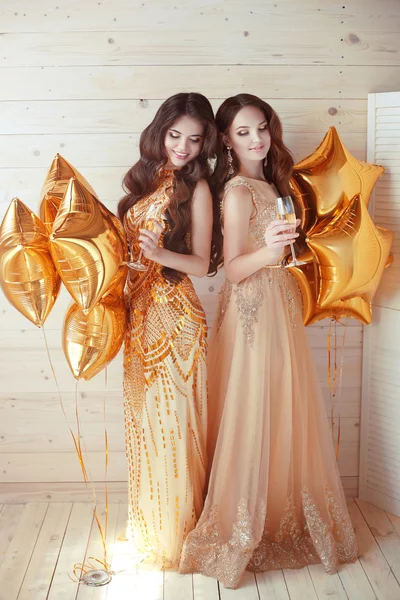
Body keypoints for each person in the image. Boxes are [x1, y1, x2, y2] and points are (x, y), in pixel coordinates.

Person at [179, 94, 358, 588]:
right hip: (252, 309)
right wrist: (272, 249)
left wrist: (284, 250)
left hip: (278, 304)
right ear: (227, 142)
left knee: (284, 407)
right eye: (243, 132)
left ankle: (283, 507)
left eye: (262, 127)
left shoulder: (270, 183)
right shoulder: (237, 191)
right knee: (253, 407)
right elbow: (233, 270)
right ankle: (241, 522)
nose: (257, 138)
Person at [118, 92, 222, 569]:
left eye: (194, 140)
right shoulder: (143, 183)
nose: (182, 147)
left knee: (175, 428)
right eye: (175, 135)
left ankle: (180, 535)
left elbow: (201, 264)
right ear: (159, 132)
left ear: (205, 145)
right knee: (145, 426)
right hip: (140, 318)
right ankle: (153, 527)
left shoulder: (197, 190)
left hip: (177, 321)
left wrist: (158, 256)